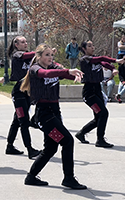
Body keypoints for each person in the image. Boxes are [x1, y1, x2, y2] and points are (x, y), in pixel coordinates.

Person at [21, 43, 87, 189]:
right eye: (47, 55)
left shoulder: (54, 67)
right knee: (68, 141)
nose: (50, 57)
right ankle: (68, 178)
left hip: (55, 112)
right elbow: (46, 74)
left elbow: (63, 73)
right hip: (44, 115)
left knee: (50, 149)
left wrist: (75, 74)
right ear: (38, 56)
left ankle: (31, 177)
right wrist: (68, 70)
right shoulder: (34, 69)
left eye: (52, 55)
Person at [75, 40, 123, 147]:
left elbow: (104, 63)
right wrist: (117, 60)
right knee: (103, 113)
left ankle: (81, 133)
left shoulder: (95, 59)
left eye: (93, 45)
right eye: (89, 46)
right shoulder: (85, 59)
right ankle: (100, 140)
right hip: (89, 93)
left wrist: (113, 68)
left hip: (97, 90)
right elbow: (101, 59)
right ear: (84, 49)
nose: (93, 47)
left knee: (99, 118)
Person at [5, 36, 41, 159]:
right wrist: (39, 52)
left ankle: (9, 146)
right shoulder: (17, 55)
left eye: (26, 41)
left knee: (17, 121)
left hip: (27, 93)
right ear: (16, 45)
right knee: (24, 121)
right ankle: (30, 149)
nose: (26, 43)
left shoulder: (30, 57)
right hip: (19, 93)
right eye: (23, 42)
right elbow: (26, 56)